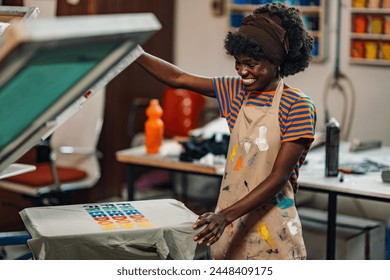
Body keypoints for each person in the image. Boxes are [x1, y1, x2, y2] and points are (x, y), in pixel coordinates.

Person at [134, 2, 316, 260]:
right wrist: (133, 52)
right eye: (238, 63)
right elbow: (178, 78)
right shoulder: (235, 91)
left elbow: (277, 178)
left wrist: (224, 216)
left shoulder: (298, 105)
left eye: (251, 64)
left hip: (273, 229)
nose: (243, 72)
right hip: (230, 224)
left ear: (276, 61)